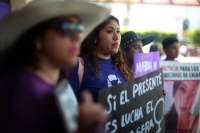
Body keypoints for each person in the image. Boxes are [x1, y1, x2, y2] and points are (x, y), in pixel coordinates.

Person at [0, 0, 110, 133]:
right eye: (68, 27)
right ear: (37, 36)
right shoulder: (22, 91)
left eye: (79, 29)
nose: (78, 37)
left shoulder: (46, 85)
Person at [68, 15, 133, 101]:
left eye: (118, 31)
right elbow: (66, 109)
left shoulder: (122, 66)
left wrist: (132, 85)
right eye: (110, 31)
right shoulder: (78, 66)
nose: (116, 37)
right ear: (95, 37)